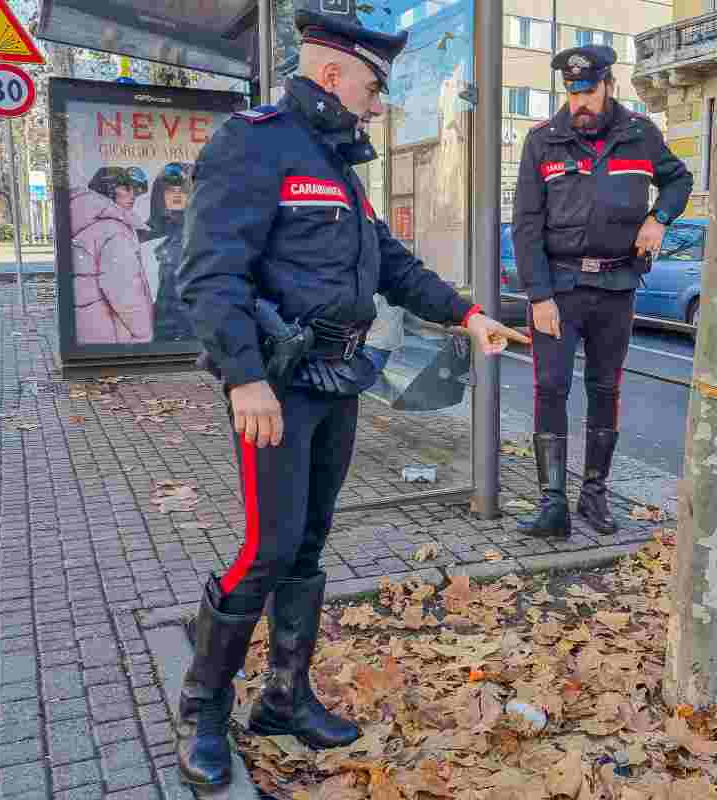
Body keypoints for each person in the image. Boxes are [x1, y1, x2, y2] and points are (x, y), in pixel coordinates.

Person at [174, 0, 529, 788]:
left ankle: (284, 697)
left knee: (306, 545)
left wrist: (469, 314)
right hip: (277, 386)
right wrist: (245, 379)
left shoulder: (337, 161)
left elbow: (391, 264)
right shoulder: (255, 143)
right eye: (375, 84)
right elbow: (208, 273)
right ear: (332, 73)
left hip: (337, 379)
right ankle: (203, 702)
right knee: (266, 549)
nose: (382, 99)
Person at [513, 44, 693, 539]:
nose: (580, 104)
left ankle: (594, 495)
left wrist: (660, 218)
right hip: (560, 288)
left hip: (616, 286)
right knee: (550, 387)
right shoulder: (543, 141)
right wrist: (538, 295)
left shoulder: (640, 134)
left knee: (605, 388)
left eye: (588, 91)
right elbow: (525, 225)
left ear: (609, 85)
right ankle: (553, 504)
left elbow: (678, 180)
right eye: (572, 93)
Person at [70, 167, 153, 343]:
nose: (133, 195)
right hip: (111, 332)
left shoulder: (86, 220)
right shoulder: (114, 230)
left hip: (90, 326)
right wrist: (144, 332)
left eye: (134, 190)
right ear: (108, 189)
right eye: (126, 188)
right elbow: (123, 291)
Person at [142, 163, 195, 340]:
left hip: (190, 330)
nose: (177, 194)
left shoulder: (200, 231)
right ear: (160, 194)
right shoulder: (145, 234)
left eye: (183, 189)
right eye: (171, 190)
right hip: (157, 328)